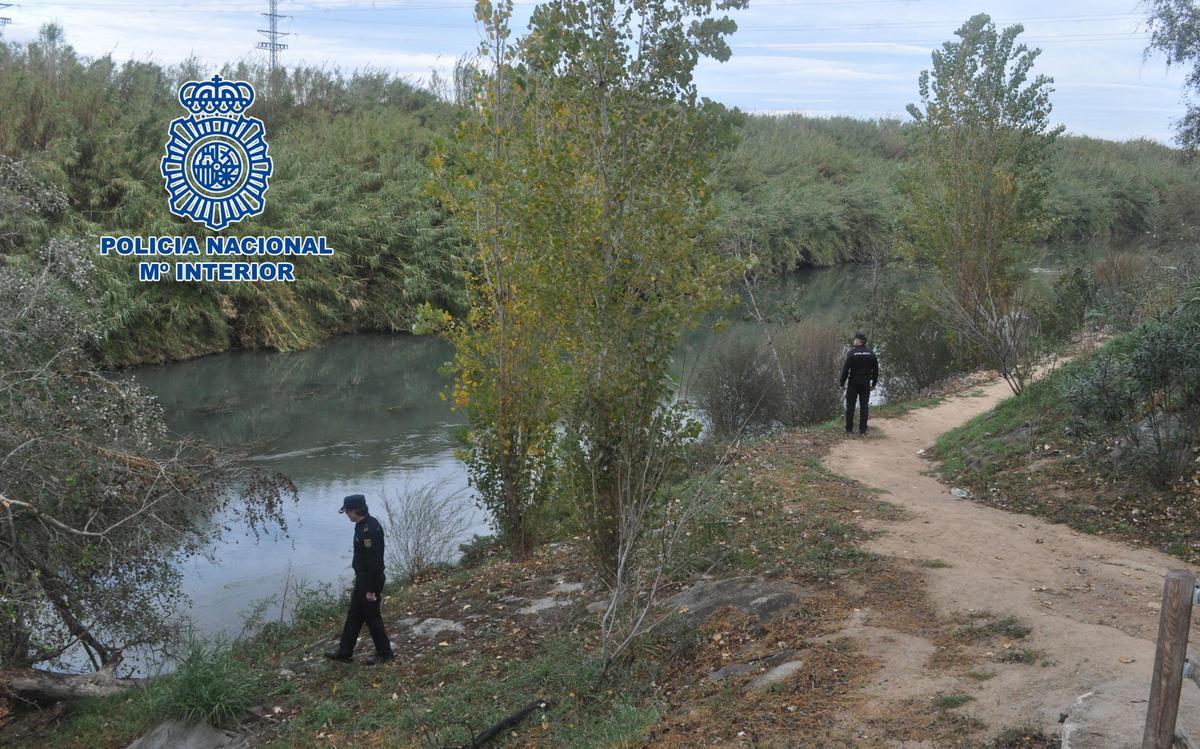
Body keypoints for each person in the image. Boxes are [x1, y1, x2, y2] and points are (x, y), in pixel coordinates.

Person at [324, 494, 394, 665]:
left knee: (372, 618)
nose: (347, 515)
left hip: (370, 581)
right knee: (354, 615)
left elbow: (375, 562)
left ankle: (385, 654)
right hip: (363, 580)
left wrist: (370, 590)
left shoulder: (369, 530)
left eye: (347, 511)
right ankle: (344, 652)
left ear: (355, 510)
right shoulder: (362, 525)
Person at [839, 332, 879, 435]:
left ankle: (849, 429)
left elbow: (845, 370)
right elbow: (875, 370)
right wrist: (873, 383)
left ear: (859, 341)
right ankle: (863, 430)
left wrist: (842, 383)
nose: (853, 341)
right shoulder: (871, 353)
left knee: (850, 406)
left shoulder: (852, 354)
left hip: (853, 382)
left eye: (855, 339)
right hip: (865, 383)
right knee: (864, 406)